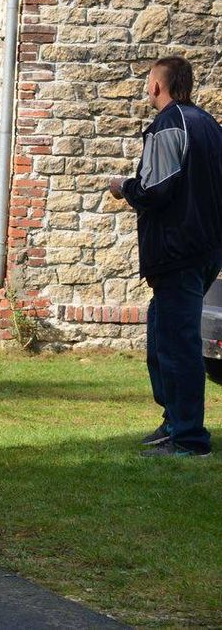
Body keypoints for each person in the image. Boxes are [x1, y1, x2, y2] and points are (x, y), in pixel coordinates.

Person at [110, 56, 222, 458]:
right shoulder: (209, 125)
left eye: (148, 81)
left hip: (178, 252)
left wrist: (124, 186)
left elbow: (155, 189)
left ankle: (189, 438)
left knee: (177, 344)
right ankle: (174, 419)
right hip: (204, 251)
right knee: (162, 336)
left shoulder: (169, 124)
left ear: (158, 86)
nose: (147, 87)